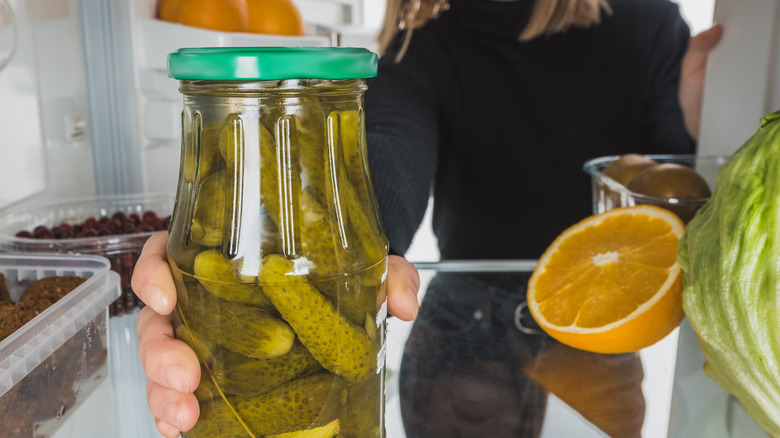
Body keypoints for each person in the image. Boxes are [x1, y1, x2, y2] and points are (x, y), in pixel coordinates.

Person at [133, 1, 722, 436]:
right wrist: (247, 265)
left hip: (600, 332)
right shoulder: (424, 41)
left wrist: (704, 123)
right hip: (465, 335)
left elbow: (667, 207)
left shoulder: (651, 28)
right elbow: (390, 157)